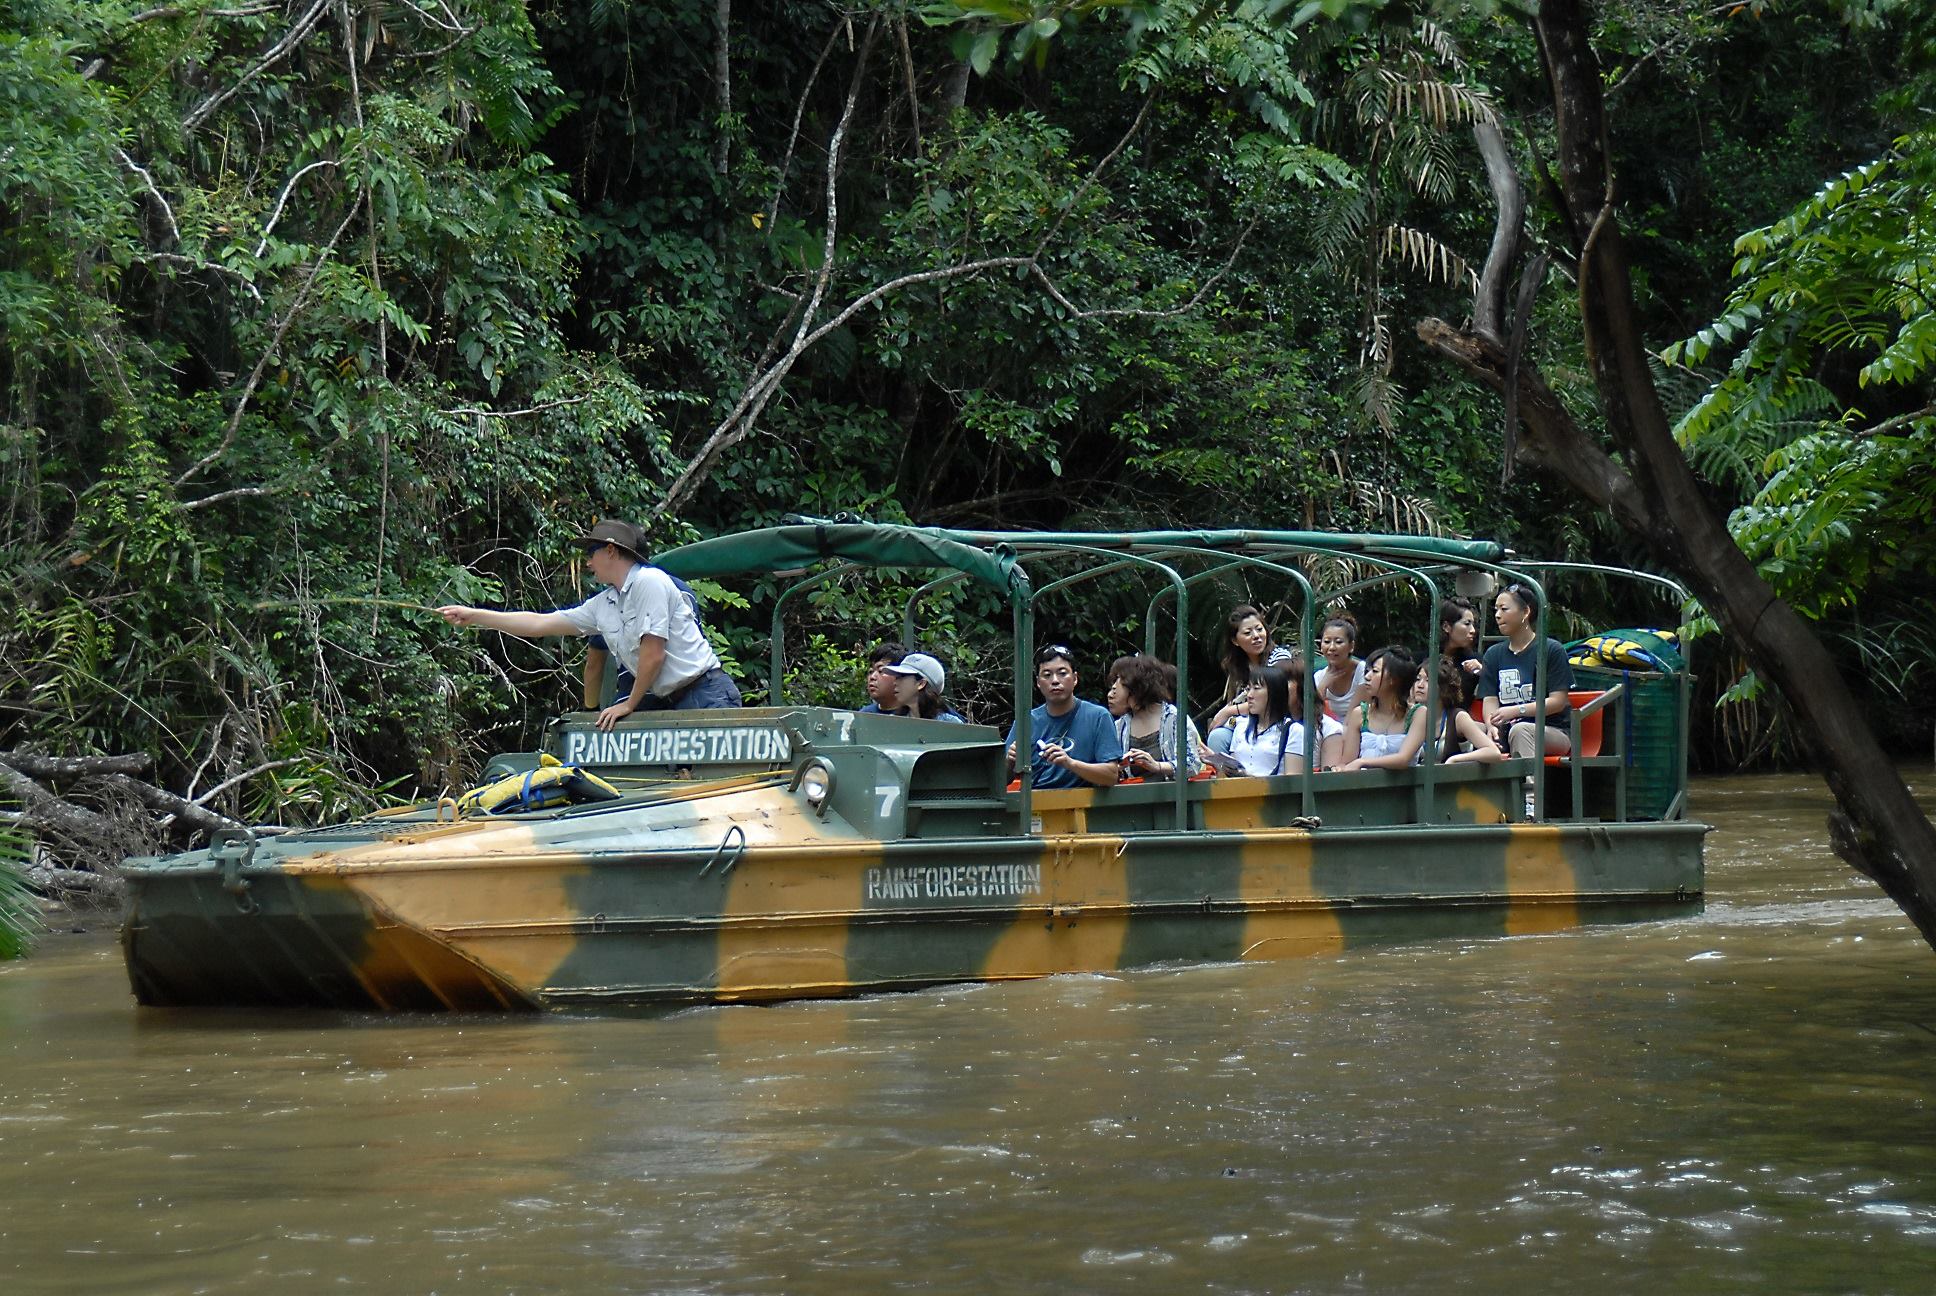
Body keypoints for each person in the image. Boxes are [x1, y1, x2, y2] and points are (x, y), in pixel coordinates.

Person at [437, 519, 741, 731]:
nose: (587, 563)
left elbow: (653, 654)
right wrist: (475, 615)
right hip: (667, 700)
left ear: (611, 551)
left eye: (590, 553)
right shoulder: (604, 604)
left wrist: (628, 705)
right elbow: (539, 624)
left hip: (705, 694)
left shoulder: (650, 581)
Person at [1005, 645, 1122, 789]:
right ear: (1038, 683)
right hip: (1035, 806)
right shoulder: (1026, 722)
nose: (1055, 681)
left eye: (1062, 673)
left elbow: (1111, 775)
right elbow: (1000, 780)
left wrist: (1070, 763)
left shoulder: (1098, 716)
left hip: (1081, 806)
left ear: (1075, 678)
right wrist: (1010, 761)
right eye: (1047, 675)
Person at [1479, 583, 1573, 760]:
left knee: (1521, 731)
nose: (1498, 615)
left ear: (1526, 612)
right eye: (1496, 609)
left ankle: (1528, 786)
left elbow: (1558, 702)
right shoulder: (1493, 654)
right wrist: (1490, 725)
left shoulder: (1551, 649)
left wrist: (1516, 711)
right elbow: (1490, 699)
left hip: (1551, 730)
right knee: (1473, 729)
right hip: (1507, 728)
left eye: (1504, 609)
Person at [1205, 604, 1297, 754]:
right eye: (1248, 633)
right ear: (1235, 641)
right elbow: (1241, 701)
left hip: (1275, 722)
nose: (1256, 636)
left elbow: (1275, 699)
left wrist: (1228, 711)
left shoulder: (1279, 658)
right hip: (1248, 723)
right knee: (1218, 737)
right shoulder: (1238, 667)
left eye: (1259, 629)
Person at [1226, 662, 1343, 777]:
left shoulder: (1299, 730)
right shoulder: (1242, 726)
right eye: (1248, 689)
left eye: (1285, 681)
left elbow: (1297, 780)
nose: (1250, 695)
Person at [1105, 654, 1203, 781]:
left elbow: (1192, 764)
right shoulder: (1120, 726)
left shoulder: (1174, 719)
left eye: (1119, 682)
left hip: (1170, 798)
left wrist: (1157, 766)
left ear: (1136, 686)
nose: (1112, 692)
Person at [1338, 645, 1431, 770]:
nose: (1367, 676)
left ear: (1394, 679)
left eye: (1375, 671)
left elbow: (1403, 759)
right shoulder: (1359, 714)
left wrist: (1363, 762)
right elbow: (1347, 762)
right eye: (1368, 670)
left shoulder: (1418, 713)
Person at [1416, 657, 1501, 765]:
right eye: (1418, 679)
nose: (1420, 685)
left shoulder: (1458, 717)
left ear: (1444, 688)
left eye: (1428, 681)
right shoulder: (1412, 715)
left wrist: (1455, 759)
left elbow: (1493, 752)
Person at [880, 651, 966, 723]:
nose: (895, 682)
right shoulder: (894, 722)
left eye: (901, 677)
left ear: (921, 684)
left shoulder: (950, 724)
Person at [1315, 613, 1368, 720]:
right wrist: (1322, 686)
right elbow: (1314, 715)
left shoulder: (1363, 671)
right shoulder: (1318, 676)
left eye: (1338, 642)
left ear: (1351, 646)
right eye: (1327, 641)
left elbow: (1352, 716)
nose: (1332, 647)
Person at [1437, 596, 1483, 707]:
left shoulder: (1476, 662)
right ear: (1446, 627)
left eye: (1473, 625)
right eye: (1467, 624)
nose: (1472, 630)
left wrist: (1483, 672)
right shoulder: (1424, 659)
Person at [858, 641, 910, 714]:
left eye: (881, 671)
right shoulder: (865, 715)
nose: (872, 677)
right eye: (870, 672)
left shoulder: (918, 716)